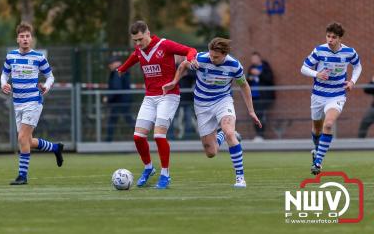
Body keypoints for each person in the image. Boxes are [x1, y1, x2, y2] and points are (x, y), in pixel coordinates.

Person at [163, 37, 262, 188]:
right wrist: (174, 82)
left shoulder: (234, 65)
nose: (212, 58)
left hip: (223, 101)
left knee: (229, 131)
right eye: (211, 55)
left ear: (224, 54)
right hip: (202, 105)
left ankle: (240, 178)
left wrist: (251, 111)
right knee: (211, 152)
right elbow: (183, 64)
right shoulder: (201, 59)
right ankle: (225, 135)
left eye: (216, 57)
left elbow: (244, 86)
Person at [117, 20, 197, 189]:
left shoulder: (164, 44)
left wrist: (190, 59)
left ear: (148, 33)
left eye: (140, 39)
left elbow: (191, 50)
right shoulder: (139, 50)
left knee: (159, 135)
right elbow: (134, 57)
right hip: (150, 97)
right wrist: (122, 68)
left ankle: (165, 174)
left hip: (168, 96)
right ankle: (148, 168)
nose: (138, 43)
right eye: (135, 41)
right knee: (138, 137)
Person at [0, 22, 64, 185]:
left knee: (22, 137)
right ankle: (55, 148)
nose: (25, 39)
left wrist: (46, 86)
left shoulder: (38, 57)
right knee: (27, 141)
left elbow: (50, 76)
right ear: (17, 39)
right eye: (22, 36)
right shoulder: (11, 56)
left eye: (27, 36)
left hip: (33, 102)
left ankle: (22, 176)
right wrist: (3, 84)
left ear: (32, 39)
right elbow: (4, 74)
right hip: (17, 103)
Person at [301, 22, 362, 175]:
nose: (330, 40)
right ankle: (316, 150)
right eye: (328, 36)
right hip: (318, 95)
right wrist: (317, 74)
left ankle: (318, 163)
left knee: (328, 124)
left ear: (340, 38)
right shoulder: (319, 50)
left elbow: (358, 66)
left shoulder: (349, 52)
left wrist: (352, 82)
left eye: (333, 37)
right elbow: (303, 68)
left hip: (337, 95)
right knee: (316, 129)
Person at [247, 51, 275, 141]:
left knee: (260, 114)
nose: (253, 60)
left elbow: (269, 79)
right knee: (254, 115)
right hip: (253, 96)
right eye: (252, 59)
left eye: (255, 58)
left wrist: (259, 73)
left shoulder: (265, 67)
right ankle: (258, 135)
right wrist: (249, 78)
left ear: (259, 58)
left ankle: (260, 135)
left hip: (263, 96)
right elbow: (246, 81)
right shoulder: (251, 68)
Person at [105, 57, 135, 141]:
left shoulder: (117, 72)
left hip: (119, 101)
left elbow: (116, 88)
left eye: (111, 64)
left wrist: (108, 98)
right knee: (129, 120)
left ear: (116, 63)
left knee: (112, 122)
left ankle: (108, 142)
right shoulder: (123, 71)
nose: (109, 66)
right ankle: (141, 137)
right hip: (123, 100)